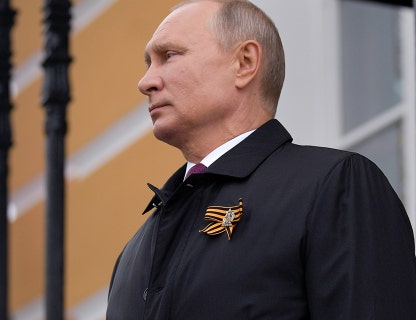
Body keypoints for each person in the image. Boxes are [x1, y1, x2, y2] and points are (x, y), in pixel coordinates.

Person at [105, 0, 416, 319]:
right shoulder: (133, 252)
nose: (146, 83)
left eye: (168, 56)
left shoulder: (335, 187)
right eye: (148, 64)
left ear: (244, 62)